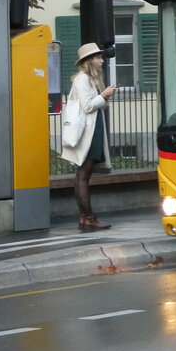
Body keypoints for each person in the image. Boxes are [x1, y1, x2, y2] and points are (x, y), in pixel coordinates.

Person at [60, 42, 117, 231]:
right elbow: (88, 106)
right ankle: (88, 217)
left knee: (83, 174)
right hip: (87, 133)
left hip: (90, 131)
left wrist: (102, 95)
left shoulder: (87, 79)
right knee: (83, 174)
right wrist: (105, 94)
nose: (102, 60)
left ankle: (86, 216)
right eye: (98, 57)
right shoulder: (82, 79)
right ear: (89, 61)